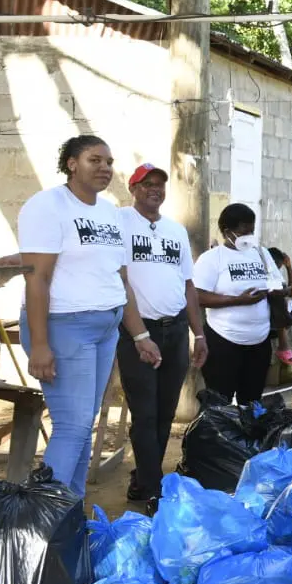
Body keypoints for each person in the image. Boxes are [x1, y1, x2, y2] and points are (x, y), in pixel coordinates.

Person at [18, 135, 162, 496]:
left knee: (84, 424)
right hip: (65, 327)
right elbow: (37, 279)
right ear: (71, 163)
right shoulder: (48, 206)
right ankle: (44, 519)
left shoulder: (108, 212)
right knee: (72, 425)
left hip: (106, 328)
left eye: (109, 162)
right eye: (94, 160)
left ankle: (69, 512)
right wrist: (39, 344)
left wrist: (140, 335)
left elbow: (119, 278)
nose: (104, 168)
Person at [117, 163, 208, 508]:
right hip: (139, 332)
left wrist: (199, 334)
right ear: (134, 187)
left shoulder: (175, 231)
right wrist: (139, 335)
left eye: (159, 185)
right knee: (145, 413)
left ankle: (143, 478)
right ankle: (155, 490)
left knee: (166, 411)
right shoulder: (120, 222)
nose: (154, 189)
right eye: (147, 184)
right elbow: (120, 279)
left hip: (175, 330)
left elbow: (188, 285)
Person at [193, 204, 286, 405]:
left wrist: (277, 290)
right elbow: (197, 296)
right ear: (227, 232)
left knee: (252, 402)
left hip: (259, 342)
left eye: (251, 231)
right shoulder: (212, 259)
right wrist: (237, 300)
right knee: (220, 403)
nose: (248, 236)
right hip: (223, 341)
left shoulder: (260, 253)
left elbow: (277, 282)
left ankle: (248, 436)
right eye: (243, 231)